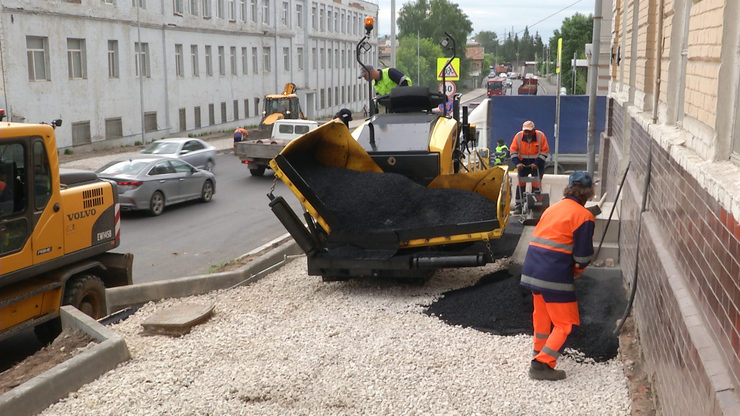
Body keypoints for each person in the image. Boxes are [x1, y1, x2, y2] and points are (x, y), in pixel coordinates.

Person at [520, 171, 596, 381]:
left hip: (532, 269)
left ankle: (539, 350)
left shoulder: (552, 208)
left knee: (542, 315)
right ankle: (541, 364)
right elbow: (582, 256)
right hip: (553, 275)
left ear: (568, 188)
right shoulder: (584, 217)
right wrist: (578, 270)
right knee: (565, 323)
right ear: (589, 193)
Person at [510, 120, 549, 214]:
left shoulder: (540, 136)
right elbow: (513, 151)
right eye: (525, 131)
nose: (527, 133)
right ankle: (519, 206)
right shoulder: (518, 136)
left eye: (529, 131)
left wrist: (536, 163)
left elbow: (544, 152)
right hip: (522, 163)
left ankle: (535, 206)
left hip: (537, 164)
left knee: (536, 184)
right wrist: (517, 163)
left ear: (533, 130)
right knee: (520, 184)